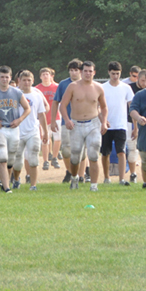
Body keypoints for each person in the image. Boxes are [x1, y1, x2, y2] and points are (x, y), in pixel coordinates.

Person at [0, 66, 30, 193]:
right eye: (2, 77)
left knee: (10, 160)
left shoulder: (17, 92)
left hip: (13, 128)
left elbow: (27, 108)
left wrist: (19, 120)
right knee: (2, 156)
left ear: (10, 78)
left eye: (7, 77)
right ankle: (6, 187)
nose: (4, 79)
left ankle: (5, 181)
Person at [59, 61, 108, 192]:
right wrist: (67, 120)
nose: (88, 73)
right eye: (85, 71)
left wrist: (104, 122)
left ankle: (94, 185)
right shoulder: (73, 86)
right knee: (75, 155)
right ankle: (74, 178)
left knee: (93, 154)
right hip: (76, 124)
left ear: (94, 72)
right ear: (81, 72)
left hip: (93, 124)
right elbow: (62, 105)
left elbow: (103, 107)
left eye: (90, 71)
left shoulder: (98, 87)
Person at [51, 59, 88, 184]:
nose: (73, 73)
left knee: (82, 151)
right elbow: (56, 101)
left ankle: (81, 176)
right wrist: (52, 120)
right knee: (66, 150)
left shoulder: (86, 83)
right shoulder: (63, 84)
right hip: (66, 121)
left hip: (83, 121)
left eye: (76, 70)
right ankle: (70, 172)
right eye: (71, 70)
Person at [12, 70, 49, 191]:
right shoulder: (14, 94)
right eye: (24, 80)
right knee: (17, 161)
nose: (27, 83)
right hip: (17, 131)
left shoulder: (37, 95)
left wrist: (45, 132)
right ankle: (16, 180)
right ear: (19, 81)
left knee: (33, 158)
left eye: (29, 80)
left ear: (33, 81)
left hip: (32, 131)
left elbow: (42, 114)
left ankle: (33, 185)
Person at [100, 61, 134, 186]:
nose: (115, 76)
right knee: (105, 152)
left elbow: (132, 106)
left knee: (121, 152)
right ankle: (106, 177)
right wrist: (103, 121)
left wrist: (135, 126)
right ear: (109, 72)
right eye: (113, 73)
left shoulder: (126, 88)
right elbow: (98, 107)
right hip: (106, 126)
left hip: (121, 125)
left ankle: (121, 179)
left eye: (118, 73)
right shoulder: (102, 87)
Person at [35, 67, 61, 172]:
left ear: (51, 76)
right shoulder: (37, 88)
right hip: (43, 118)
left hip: (56, 116)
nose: (46, 76)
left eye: (47, 74)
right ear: (40, 77)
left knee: (58, 139)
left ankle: (54, 157)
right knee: (44, 140)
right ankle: (45, 160)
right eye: (43, 74)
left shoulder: (57, 87)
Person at [127, 69, 146, 183]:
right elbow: (132, 109)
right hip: (131, 122)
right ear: (138, 78)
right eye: (143, 80)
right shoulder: (130, 88)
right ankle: (133, 174)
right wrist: (135, 127)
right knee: (132, 148)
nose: (145, 83)